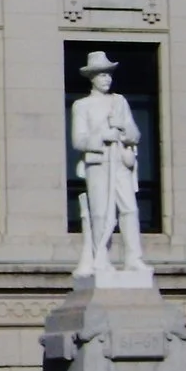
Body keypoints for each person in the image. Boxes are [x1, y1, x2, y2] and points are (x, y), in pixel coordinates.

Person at [69, 48, 147, 279]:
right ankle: (100, 258)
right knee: (101, 212)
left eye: (108, 74)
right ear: (92, 78)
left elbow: (135, 134)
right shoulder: (82, 106)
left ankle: (134, 258)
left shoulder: (119, 102)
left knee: (129, 209)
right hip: (98, 163)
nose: (106, 78)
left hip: (120, 162)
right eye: (102, 74)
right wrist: (103, 136)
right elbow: (78, 140)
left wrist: (123, 130)